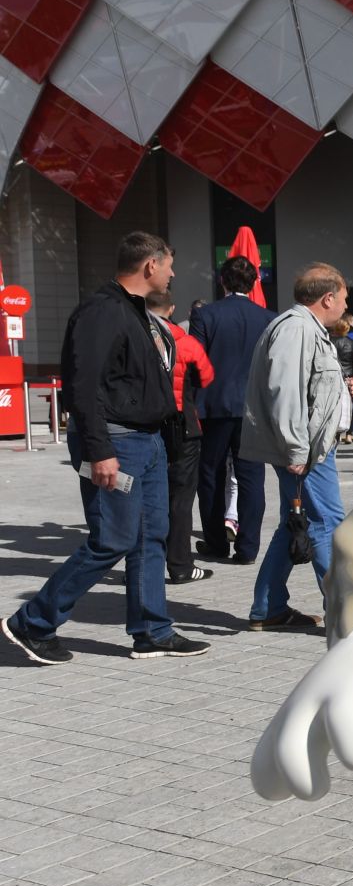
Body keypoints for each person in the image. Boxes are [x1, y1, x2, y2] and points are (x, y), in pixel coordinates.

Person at [3, 233, 209, 663]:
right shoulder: (102, 311)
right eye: (169, 265)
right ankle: (32, 623)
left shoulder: (135, 312)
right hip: (116, 441)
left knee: (151, 538)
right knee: (111, 540)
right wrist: (99, 450)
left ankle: (153, 631)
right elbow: (83, 385)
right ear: (150, 266)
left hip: (147, 440)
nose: (173, 273)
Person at [242, 263, 349, 630]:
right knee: (326, 522)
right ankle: (346, 613)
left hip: (308, 448)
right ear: (328, 297)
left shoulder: (306, 328)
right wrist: (295, 448)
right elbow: (283, 391)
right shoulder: (296, 328)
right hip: (306, 451)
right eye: (343, 299)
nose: (344, 307)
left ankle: (268, 608)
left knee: (296, 523)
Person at [190, 256, 273, 563]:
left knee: (210, 474)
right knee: (252, 478)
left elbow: (195, 361)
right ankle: (248, 547)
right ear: (253, 284)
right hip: (253, 408)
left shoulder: (205, 315)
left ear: (222, 281)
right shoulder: (267, 318)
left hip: (214, 406)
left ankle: (215, 542)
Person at [148, 291, 215, 585]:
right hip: (184, 427)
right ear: (172, 309)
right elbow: (207, 377)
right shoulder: (186, 342)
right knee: (181, 500)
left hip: (145, 427)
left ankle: (141, 568)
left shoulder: (134, 338)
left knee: (145, 501)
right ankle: (181, 565)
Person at [330, 314, 353, 444]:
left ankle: (336, 432)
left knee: (333, 405)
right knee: (352, 406)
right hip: (349, 377)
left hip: (334, 377)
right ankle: (349, 434)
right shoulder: (352, 343)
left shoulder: (328, 341)